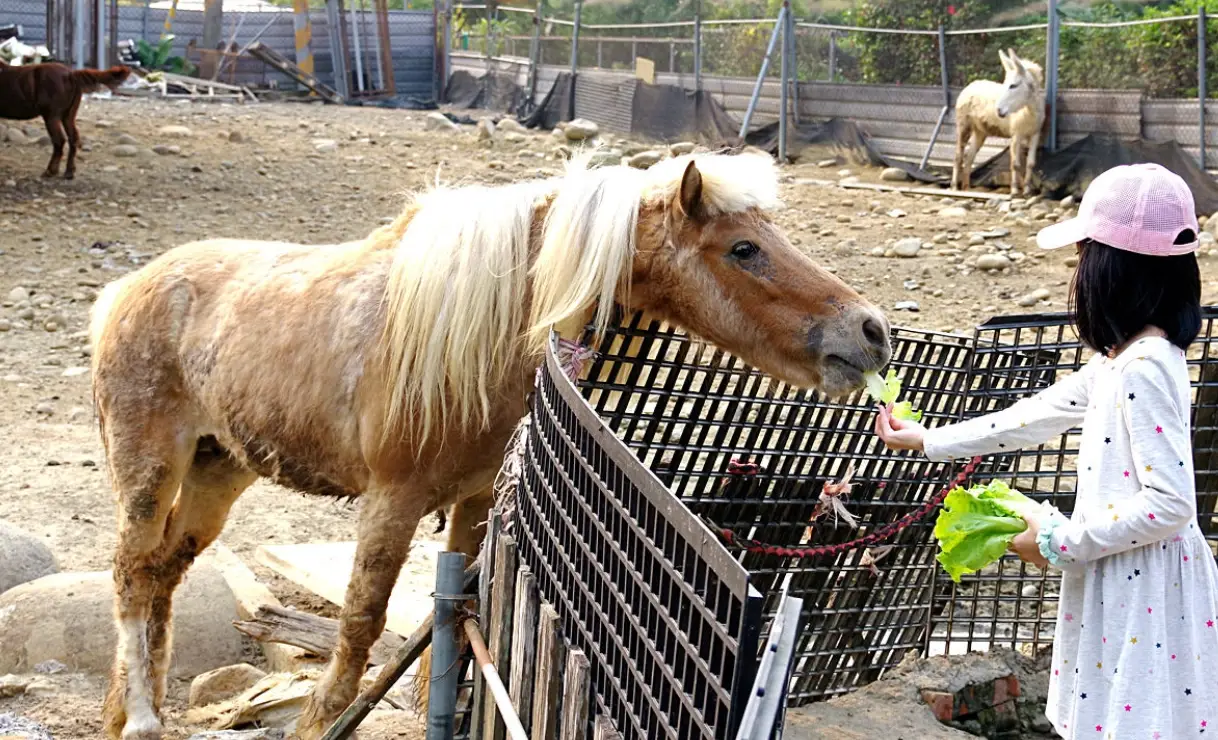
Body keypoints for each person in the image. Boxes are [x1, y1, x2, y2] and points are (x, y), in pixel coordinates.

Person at [874, 163, 1218, 739]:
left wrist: (1061, 541)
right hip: (1120, 571)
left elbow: (1170, 504)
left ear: (1114, 270)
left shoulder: (1145, 367)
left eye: (1084, 257)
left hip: (1145, 586)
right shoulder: (1120, 360)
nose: (1078, 275)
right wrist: (929, 439)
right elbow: (1036, 415)